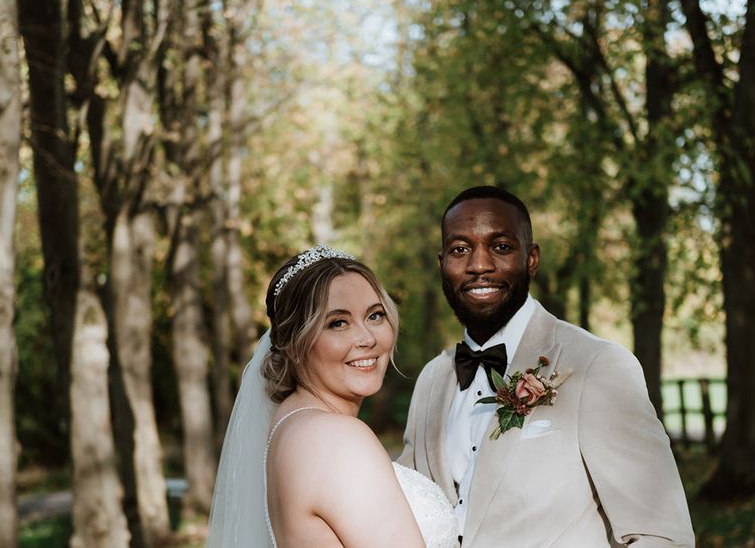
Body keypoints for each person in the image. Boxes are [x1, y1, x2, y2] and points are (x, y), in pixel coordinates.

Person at [398, 186, 695, 547]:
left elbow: (661, 534)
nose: (478, 265)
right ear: (441, 262)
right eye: (460, 250)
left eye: (501, 247)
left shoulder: (597, 366)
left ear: (531, 259)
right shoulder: (432, 379)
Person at [207, 245, 458, 548]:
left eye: (375, 315)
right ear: (293, 343)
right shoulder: (334, 436)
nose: (367, 338)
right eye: (338, 323)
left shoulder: (292, 423)